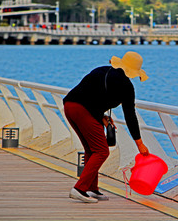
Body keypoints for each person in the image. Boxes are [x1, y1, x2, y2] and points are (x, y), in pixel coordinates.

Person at [63, 51, 150, 203]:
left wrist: (101, 116)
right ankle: (79, 188)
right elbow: (130, 115)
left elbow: (88, 93)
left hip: (70, 106)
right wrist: (139, 143)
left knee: (91, 149)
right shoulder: (127, 87)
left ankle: (91, 187)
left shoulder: (102, 70)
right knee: (102, 151)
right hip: (83, 110)